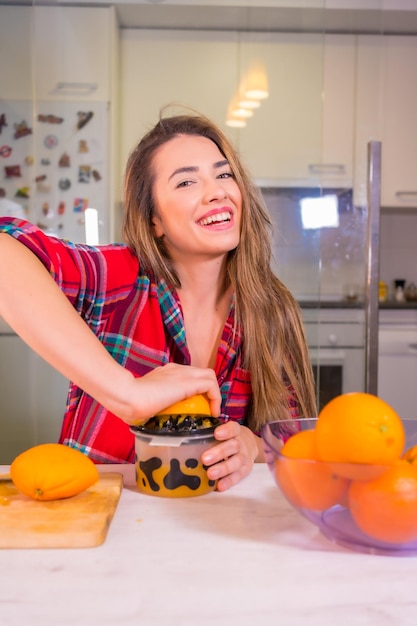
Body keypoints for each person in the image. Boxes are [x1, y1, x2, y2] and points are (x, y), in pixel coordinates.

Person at [0, 112, 316, 492]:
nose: (217, 191)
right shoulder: (118, 278)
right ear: (155, 222)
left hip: (213, 536)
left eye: (224, 174)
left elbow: (298, 447)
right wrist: (127, 393)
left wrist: (254, 447)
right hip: (105, 524)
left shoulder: (272, 309)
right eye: (186, 181)